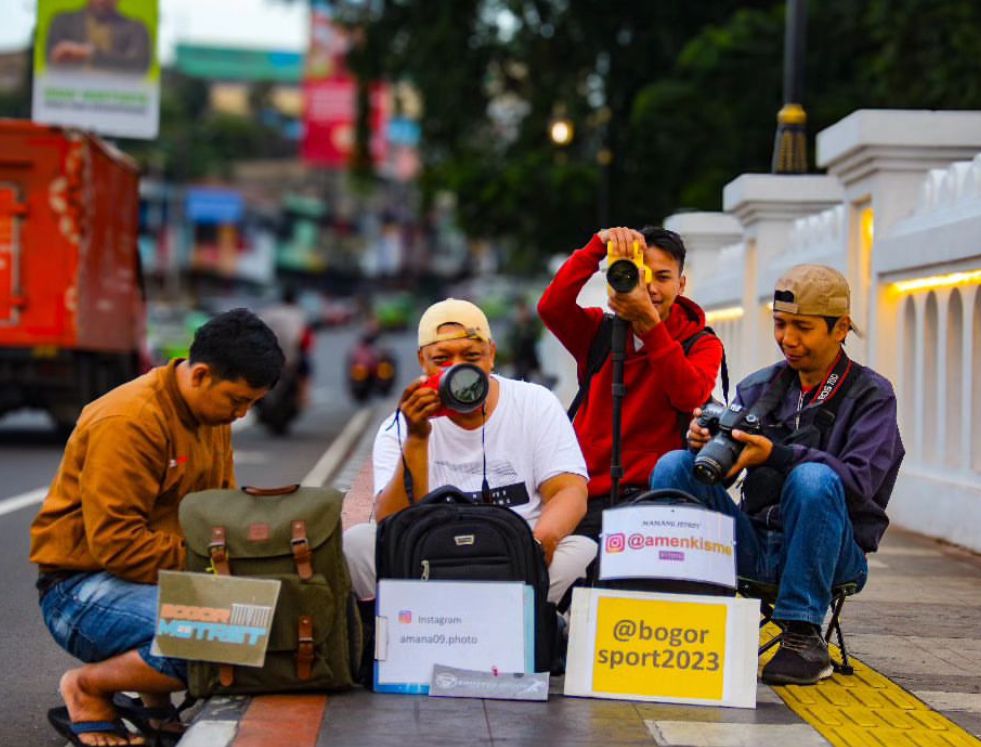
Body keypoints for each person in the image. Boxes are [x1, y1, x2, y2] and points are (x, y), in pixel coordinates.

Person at [30, 309, 283, 746]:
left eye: (251, 405)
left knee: (267, 621)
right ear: (201, 374)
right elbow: (119, 547)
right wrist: (218, 576)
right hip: (78, 590)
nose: (241, 415)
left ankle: (154, 705)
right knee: (226, 634)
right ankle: (87, 687)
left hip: (138, 581)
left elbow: (217, 516)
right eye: (237, 401)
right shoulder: (129, 420)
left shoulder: (211, 417)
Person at [650, 265, 905, 686]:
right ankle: (685, 615)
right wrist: (706, 444)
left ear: (840, 328)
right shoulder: (759, 387)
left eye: (803, 327)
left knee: (813, 479)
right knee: (673, 465)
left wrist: (778, 455)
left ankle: (803, 636)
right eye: (780, 324)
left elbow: (860, 484)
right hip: (753, 541)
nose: (788, 339)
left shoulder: (872, 394)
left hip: (832, 551)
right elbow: (724, 473)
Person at [343, 298, 595, 609]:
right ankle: (417, 625)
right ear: (423, 361)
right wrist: (417, 439)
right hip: (429, 565)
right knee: (358, 544)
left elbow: (569, 491)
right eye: (442, 359)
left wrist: (536, 548)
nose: (458, 369)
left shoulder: (534, 402)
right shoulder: (401, 425)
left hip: (518, 560)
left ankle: (523, 622)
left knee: (583, 551)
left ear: (491, 355)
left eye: (471, 356)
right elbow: (392, 522)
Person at [538, 226, 723, 540]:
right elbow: (551, 308)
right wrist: (597, 246)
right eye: (640, 274)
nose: (649, 287)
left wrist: (648, 324)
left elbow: (688, 395)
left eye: (662, 277)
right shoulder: (600, 333)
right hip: (590, 495)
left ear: (681, 285)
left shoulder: (701, 343)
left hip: (658, 497)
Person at [46, 0, 151, 75]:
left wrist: (90, 54)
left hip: (119, 100)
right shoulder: (63, 22)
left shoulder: (136, 29)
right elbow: (51, 63)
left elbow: (138, 66)